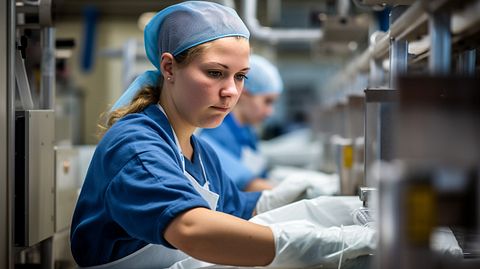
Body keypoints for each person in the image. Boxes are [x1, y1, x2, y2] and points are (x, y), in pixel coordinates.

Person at [70, 1, 376, 269]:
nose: (231, 91)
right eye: (215, 73)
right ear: (169, 67)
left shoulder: (199, 152)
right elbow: (191, 228)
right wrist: (329, 243)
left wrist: (320, 205)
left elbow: (236, 211)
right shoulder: (137, 145)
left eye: (240, 76)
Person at [198, 54, 282, 192]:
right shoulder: (217, 130)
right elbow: (245, 184)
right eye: (267, 101)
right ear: (243, 93)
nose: (270, 112)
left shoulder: (247, 132)